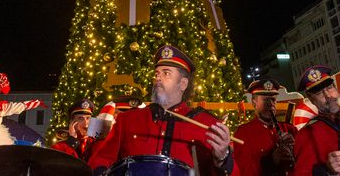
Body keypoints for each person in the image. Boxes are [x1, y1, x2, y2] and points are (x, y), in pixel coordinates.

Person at [89, 45, 238, 176]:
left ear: (183, 84)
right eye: (157, 73)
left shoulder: (208, 124)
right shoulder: (128, 119)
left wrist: (222, 158)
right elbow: (101, 158)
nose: (158, 78)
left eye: (166, 73)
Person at [292, 66, 340, 176]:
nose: (328, 95)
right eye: (319, 93)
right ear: (311, 100)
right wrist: (328, 171)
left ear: (336, 88)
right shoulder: (307, 134)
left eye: (330, 87)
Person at [234, 78, 297, 176]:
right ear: (254, 102)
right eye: (265, 100)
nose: (270, 104)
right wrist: (271, 160)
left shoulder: (290, 129)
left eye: (273, 99)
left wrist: (296, 149)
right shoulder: (243, 132)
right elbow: (244, 170)